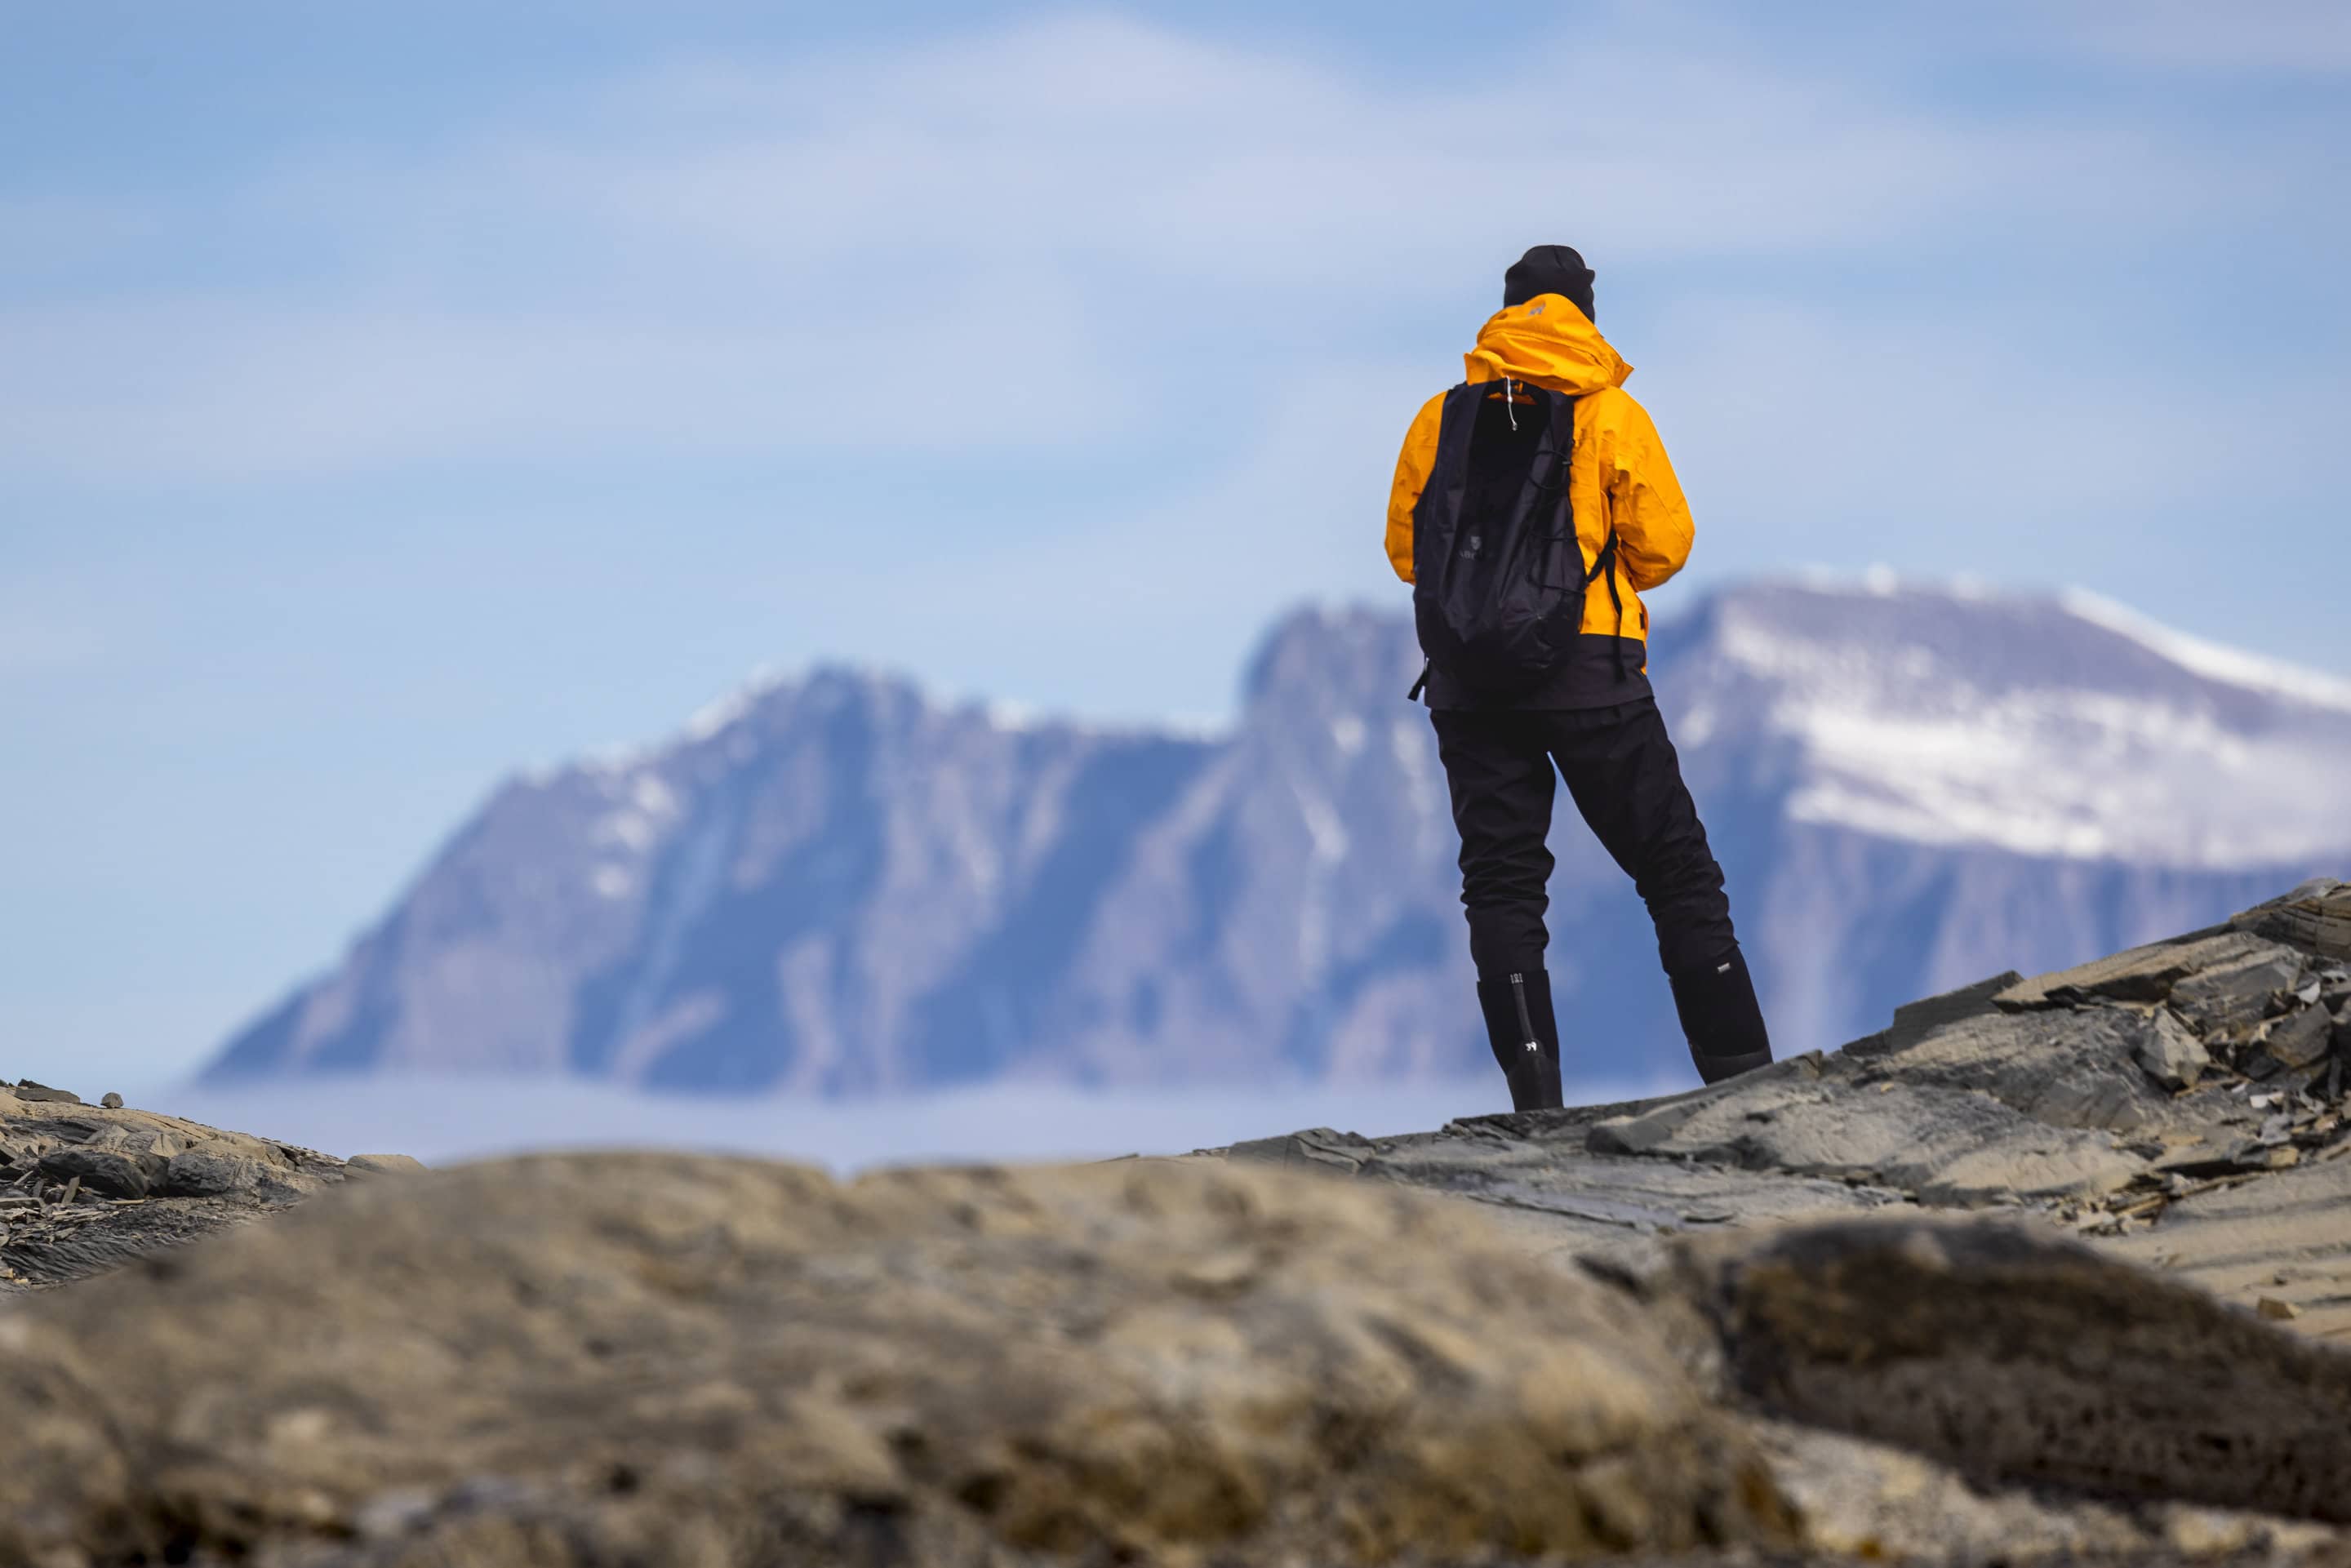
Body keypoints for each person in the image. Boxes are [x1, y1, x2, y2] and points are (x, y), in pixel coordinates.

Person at [1384, 244, 1771, 1111]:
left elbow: (1408, 552)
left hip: (1469, 684)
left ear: (1508, 311)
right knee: (1677, 871)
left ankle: (1537, 1103)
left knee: (1502, 879)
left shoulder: (1437, 419)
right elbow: (1665, 545)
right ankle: (1747, 1082)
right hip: (1589, 671)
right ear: (1586, 316)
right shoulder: (1609, 412)